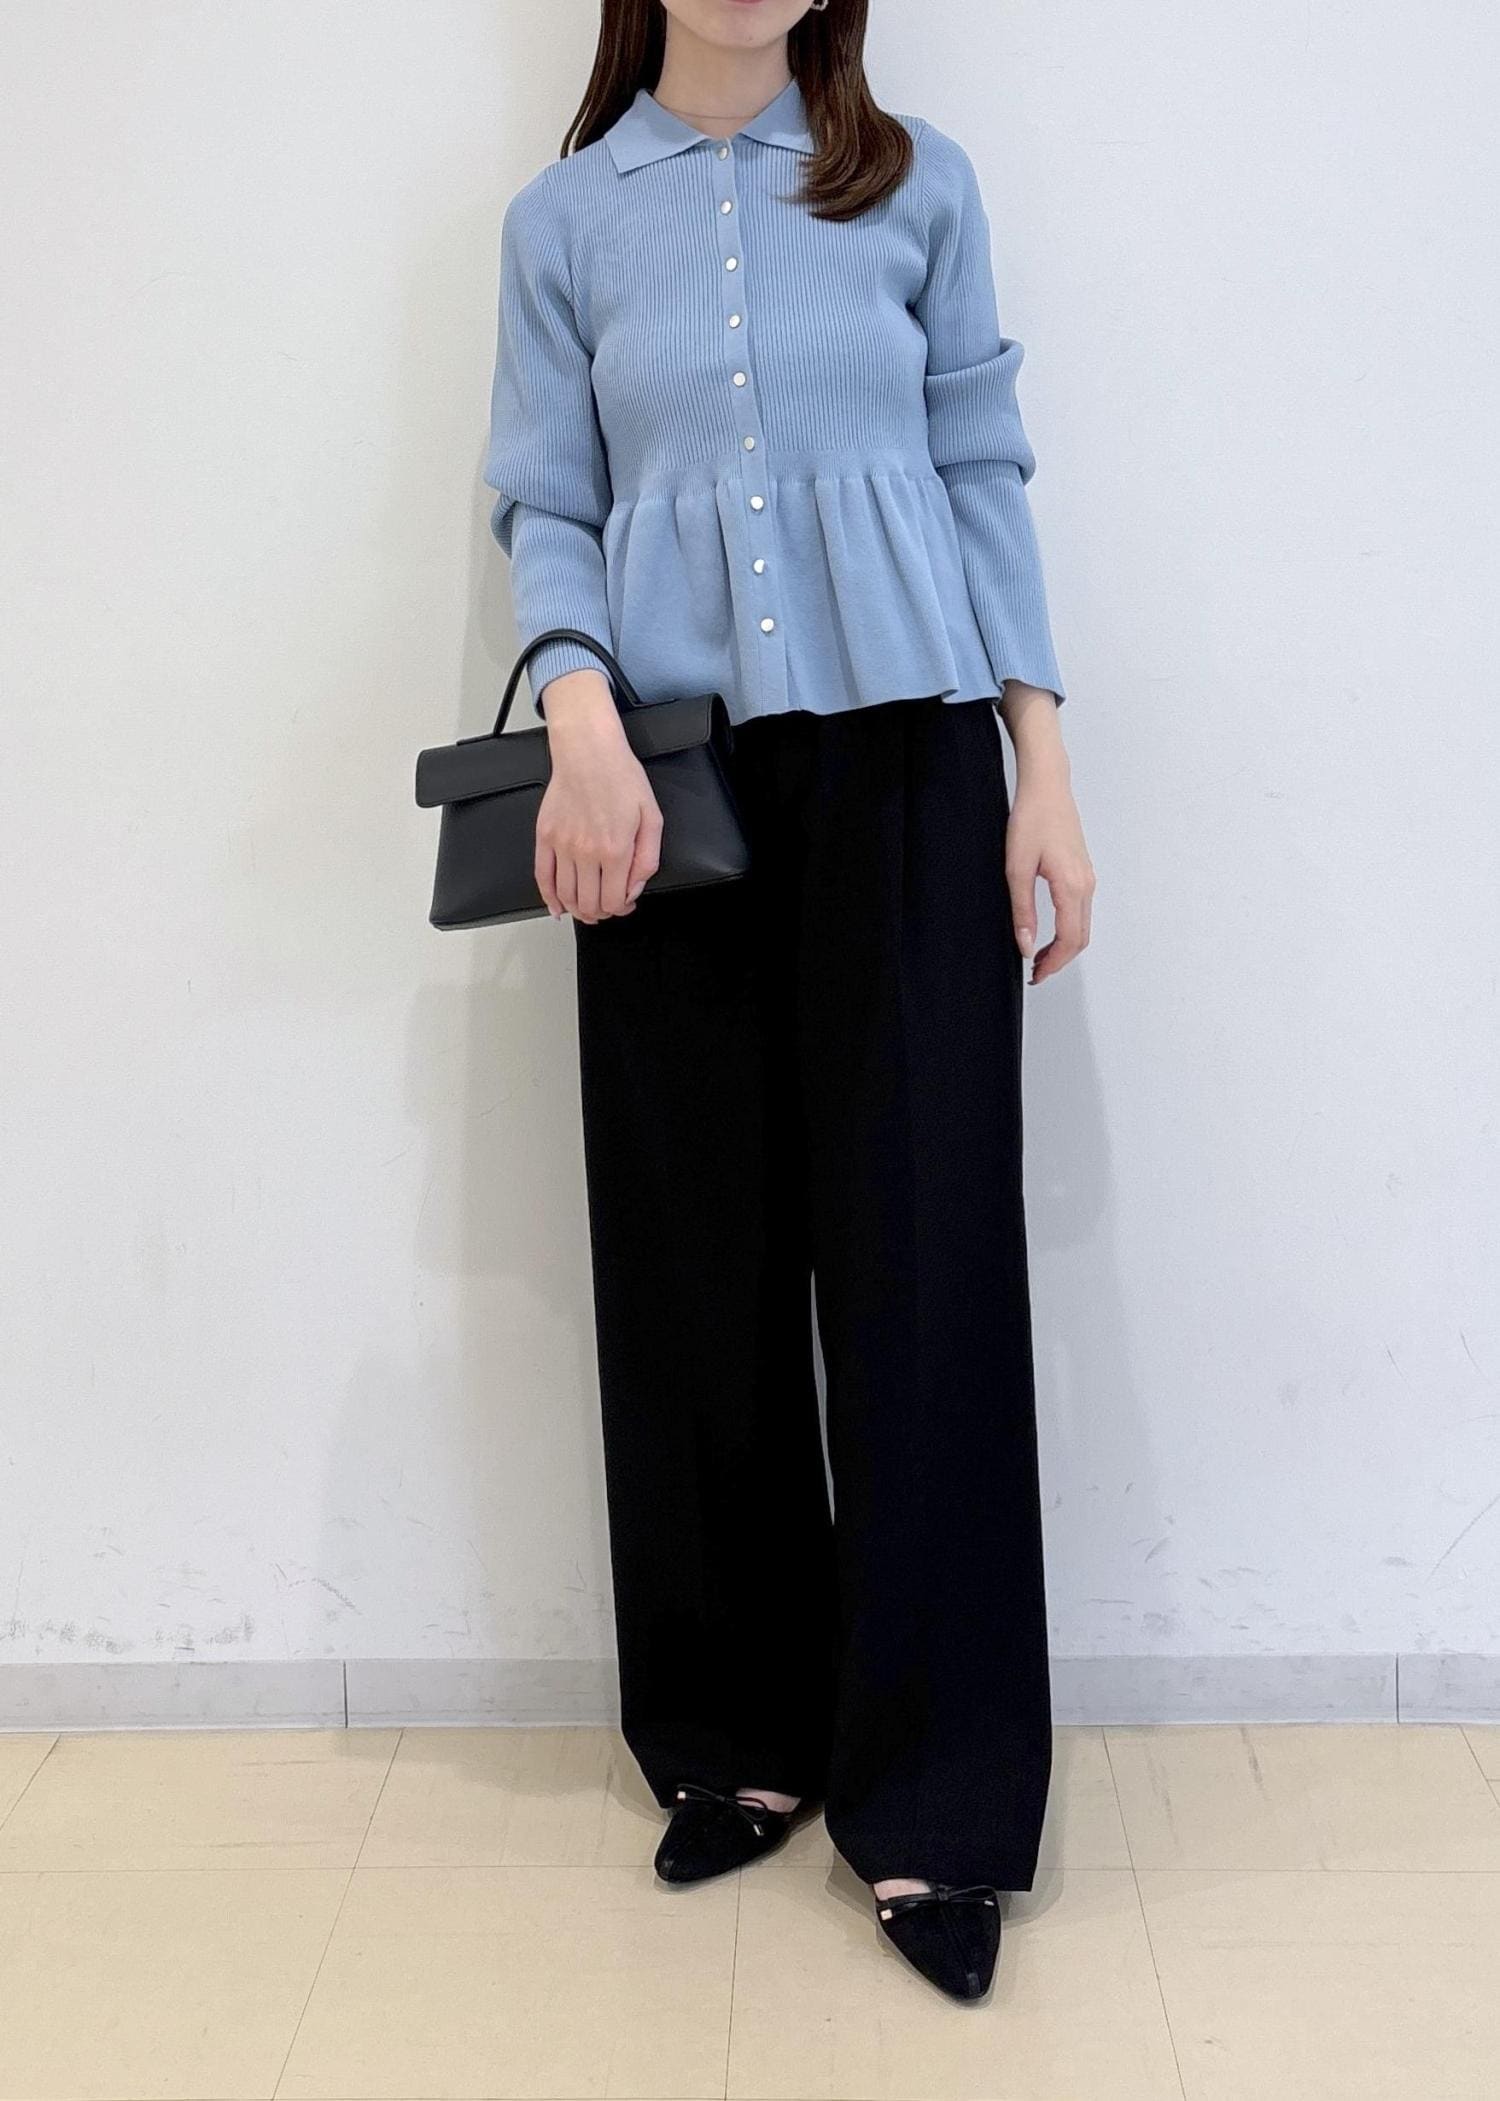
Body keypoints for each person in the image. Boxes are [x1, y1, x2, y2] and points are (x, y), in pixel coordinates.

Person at [483, 0, 1094, 2003]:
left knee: (926, 1262)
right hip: (659, 787)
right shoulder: (566, 222)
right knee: (695, 1265)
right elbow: (546, 496)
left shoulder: (918, 188)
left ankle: (938, 1804)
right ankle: (736, 1739)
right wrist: (577, 717)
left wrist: (1042, 772)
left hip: (913, 765)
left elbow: (983, 466)